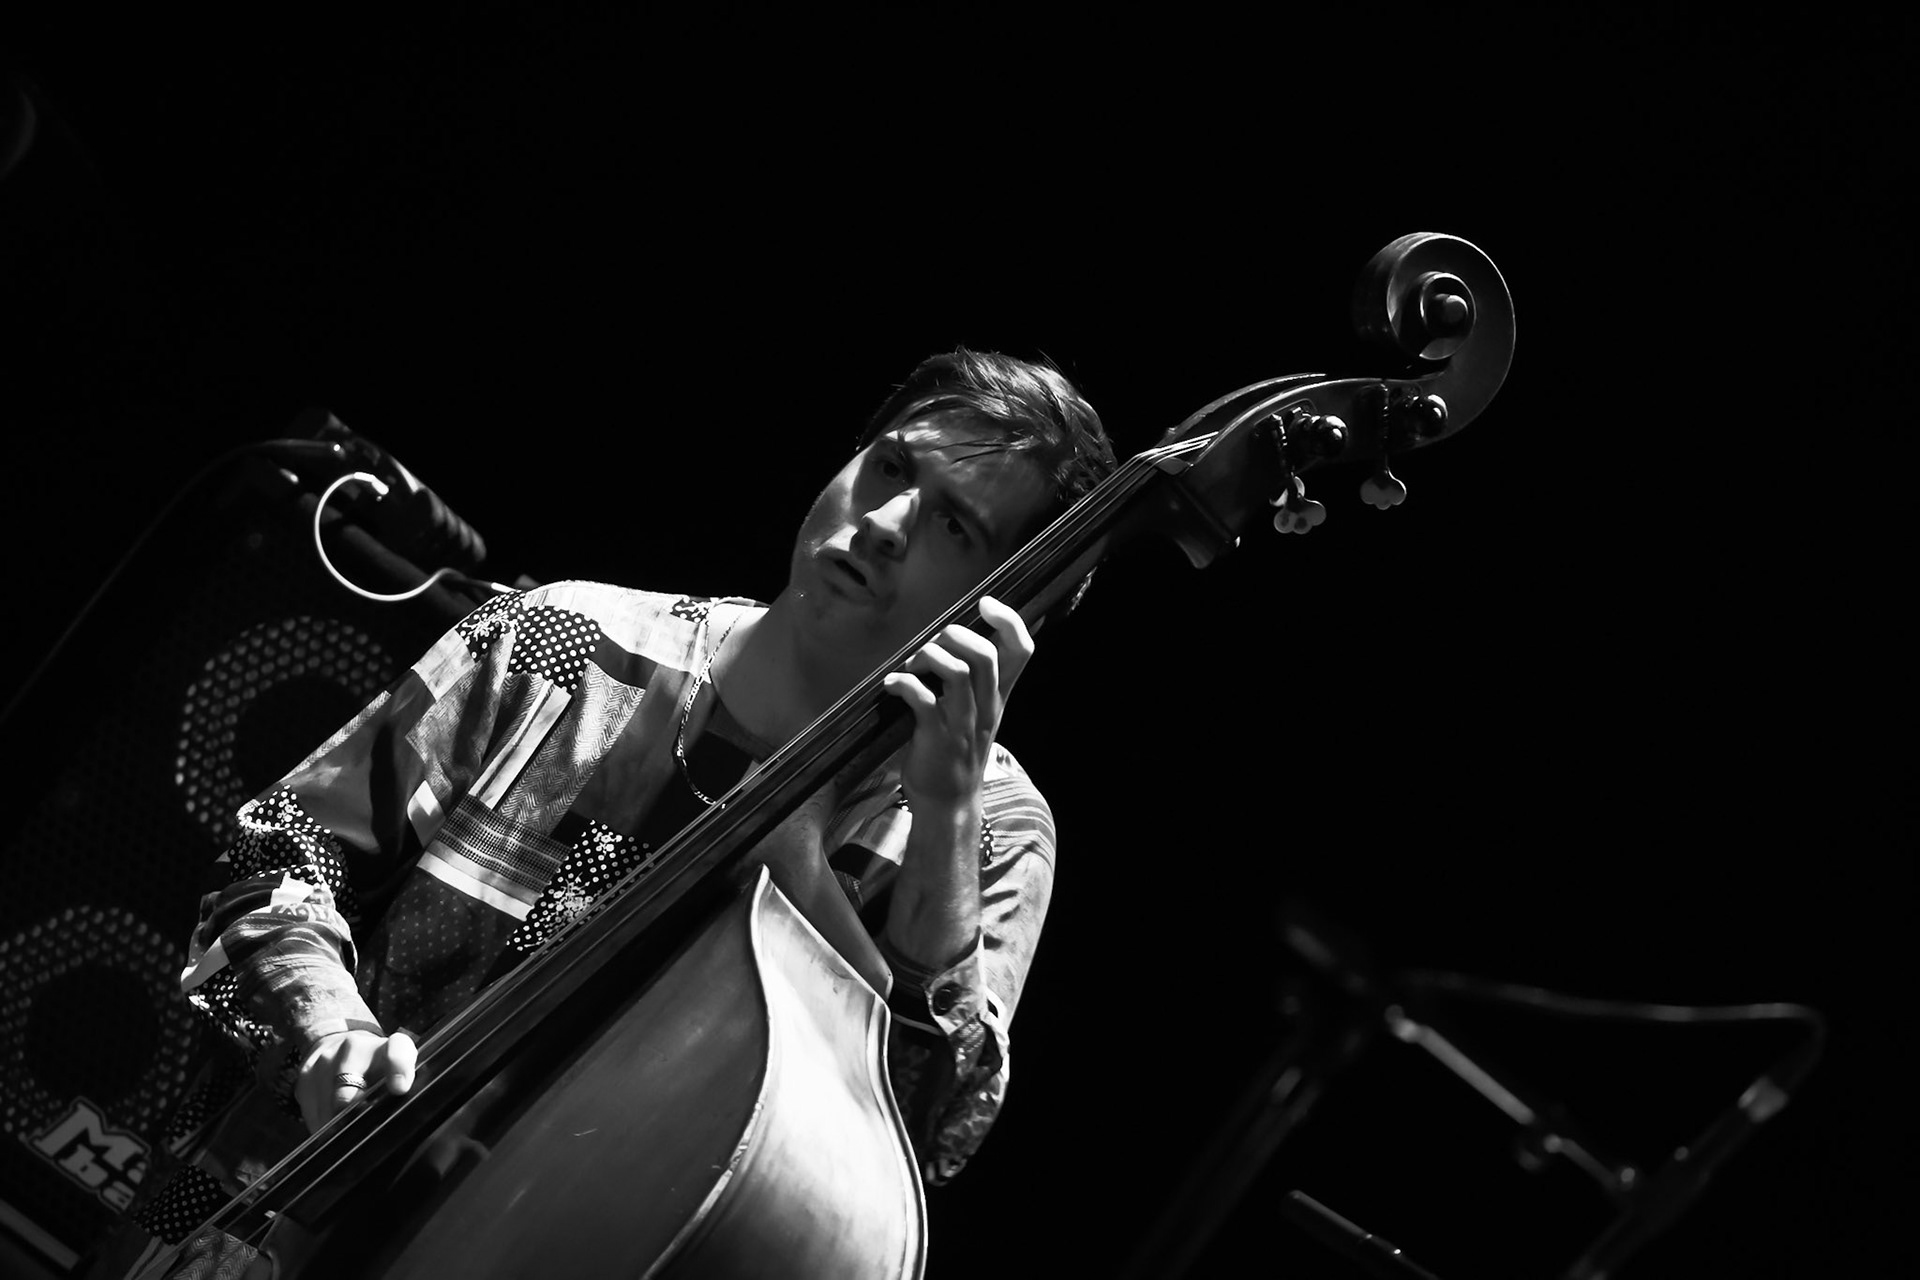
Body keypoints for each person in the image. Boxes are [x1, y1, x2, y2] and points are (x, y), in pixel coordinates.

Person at [100, 347, 1118, 1276]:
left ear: (1008, 605)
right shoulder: (563, 639)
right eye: (892, 467)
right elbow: (283, 848)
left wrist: (937, 810)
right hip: (246, 1219)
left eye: (954, 524)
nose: (887, 523)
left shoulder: (985, 829)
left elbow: (926, 1130)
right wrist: (331, 1029)